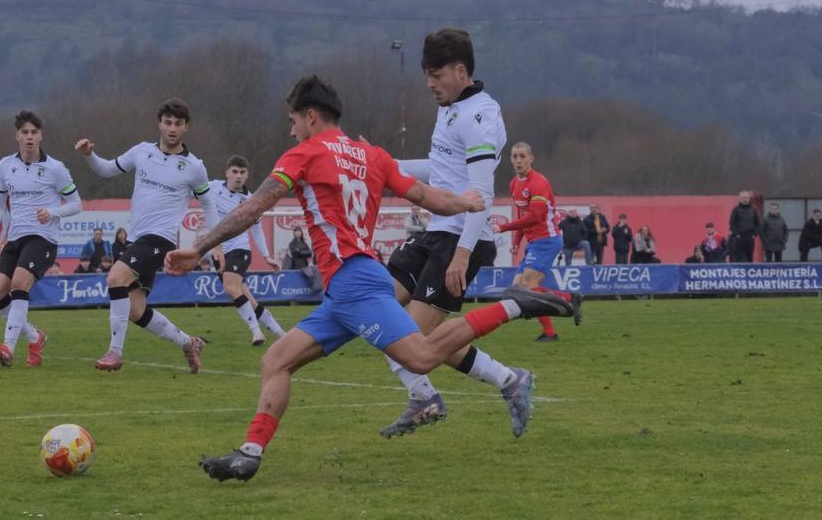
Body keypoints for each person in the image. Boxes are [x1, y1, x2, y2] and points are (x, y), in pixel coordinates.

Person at [164, 74, 571, 482]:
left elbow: (254, 206)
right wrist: (464, 200)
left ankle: (516, 303)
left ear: (310, 116)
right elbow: (428, 198)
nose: (290, 131)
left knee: (421, 355)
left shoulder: (304, 154)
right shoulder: (371, 154)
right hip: (350, 286)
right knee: (276, 359)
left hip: (355, 282)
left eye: (292, 121)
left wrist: (199, 247)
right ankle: (249, 454)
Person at [380, 28, 542, 439]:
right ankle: (507, 381)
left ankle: (436, 396)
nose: (429, 84)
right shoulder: (451, 107)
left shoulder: (481, 117)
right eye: (426, 75)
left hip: (462, 238)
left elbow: (481, 192)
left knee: (413, 338)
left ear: (460, 70)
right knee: (375, 307)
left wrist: (462, 254)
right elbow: (441, 170)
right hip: (438, 231)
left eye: (436, 75)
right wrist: (384, 165)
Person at [75, 97, 218, 373]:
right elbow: (106, 170)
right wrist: (89, 155)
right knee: (135, 310)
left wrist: (215, 243)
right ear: (159, 124)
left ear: (186, 127)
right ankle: (189, 342)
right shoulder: (142, 152)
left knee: (115, 277)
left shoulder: (194, 167)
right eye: (168, 122)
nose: (172, 128)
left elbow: (208, 203)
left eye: (178, 123)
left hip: (161, 241)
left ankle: (114, 353)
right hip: (136, 239)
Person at [0, 110, 83, 368]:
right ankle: (35, 337)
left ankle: (8, 346)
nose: (29, 137)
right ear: (17, 135)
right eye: (24, 132)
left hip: (43, 238)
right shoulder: (6, 166)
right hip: (15, 239)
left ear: (41, 137)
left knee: (18, 283)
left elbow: (76, 204)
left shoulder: (55, 168)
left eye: (34, 133)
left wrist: (52, 212)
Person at [492, 142, 583, 343]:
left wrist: (504, 228)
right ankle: (569, 299)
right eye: (514, 156)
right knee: (517, 290)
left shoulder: (538, 183)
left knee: (529, 287)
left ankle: (550, 331)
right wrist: (517, 240)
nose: (518, 160)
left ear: (531, 158)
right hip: (534, 241)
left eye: (522, 156)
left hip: (547, 239)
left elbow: (535, 216)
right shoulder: (514, 184)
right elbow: (522, 214)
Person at [208, 155, 286, 345]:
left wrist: (267, 256)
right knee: (247, 298)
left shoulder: (252, 201)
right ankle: (282, 334)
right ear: (227, 172)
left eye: (242, 172)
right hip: (218, 252)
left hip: (239, 249)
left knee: (230, 286)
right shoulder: (212, 188)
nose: (238, 176)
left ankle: (256, 332)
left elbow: (257, 230)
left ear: (247, 175)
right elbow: (191, 189)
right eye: (234, 171)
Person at [728, 191, 759, 263]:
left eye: (746, 198)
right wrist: (736, 234)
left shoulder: (753, 209)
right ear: (740, 199)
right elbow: (732, 223)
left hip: (750, 238)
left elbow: (757, 224)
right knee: (738, 258)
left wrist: (754, 235)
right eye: (743, 198)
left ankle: (750, 273)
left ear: (749, 198)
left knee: (750, 257)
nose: (745, 199)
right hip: (739, 238)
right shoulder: (735, 209)